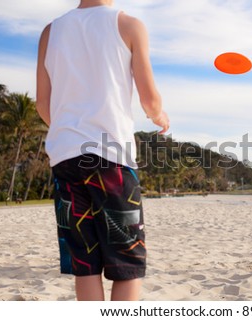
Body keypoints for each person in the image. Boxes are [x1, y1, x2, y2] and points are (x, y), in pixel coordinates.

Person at [36, 0, 169, 300]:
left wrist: (72, 129)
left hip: (65, 158)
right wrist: (159, 116)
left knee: (86, 265)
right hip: (111, 159)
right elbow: (149, 99)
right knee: (127, 264)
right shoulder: (129, 24)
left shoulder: (50, 31)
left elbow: (43, 105)